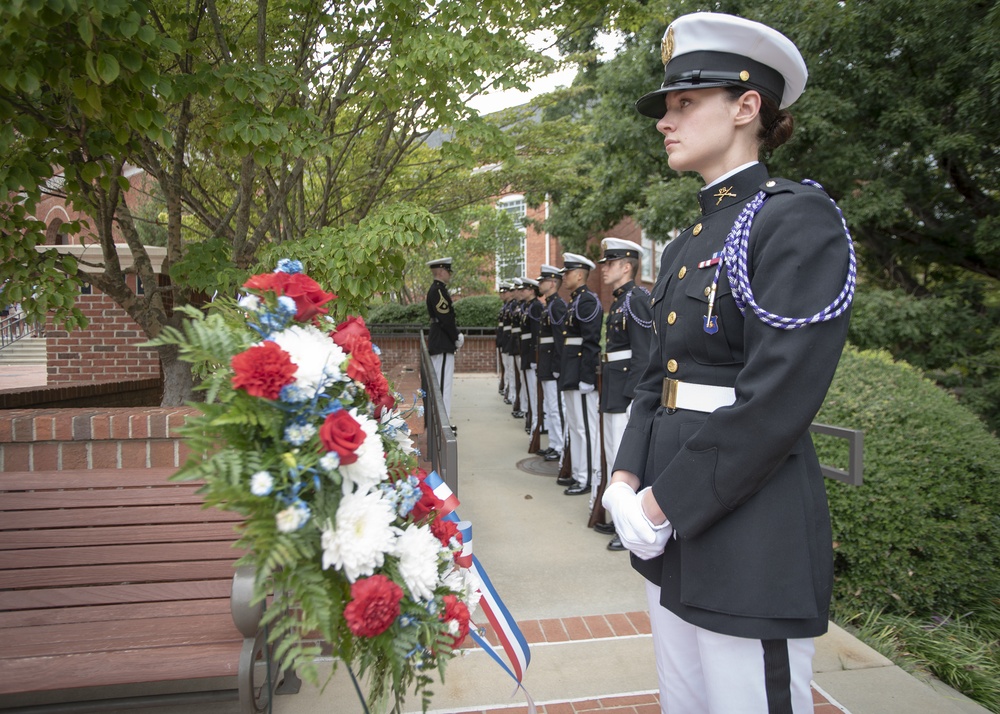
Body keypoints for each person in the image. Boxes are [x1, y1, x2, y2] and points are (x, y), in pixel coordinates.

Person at [601, 12, 856, 714]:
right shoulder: (689, 239)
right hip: (672, 525)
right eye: (666, 107)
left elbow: (776, 399)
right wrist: (625, 478)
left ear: (747, 107)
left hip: (748, 529)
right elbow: (657, 377)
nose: (665, 120)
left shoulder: (794, 219)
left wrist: (658, 503)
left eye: (686, 103)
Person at [592, 238, 653, 551]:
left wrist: (635, 399)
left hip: (626, 392)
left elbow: (644, 354)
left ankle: (626, 529)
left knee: (623, 463)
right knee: (614, 457)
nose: (604, 269)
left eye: (610, 263)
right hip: (616, 389)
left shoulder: (637, 299)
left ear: (627, 266)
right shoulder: (620, 300)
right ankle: (618, 522)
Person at [557, 252, 602, 497]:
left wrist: (587, 377)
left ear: (578, 274)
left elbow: (591, 342)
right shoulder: (576, 302)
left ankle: (586, 477)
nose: (564, 277)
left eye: (567, 272)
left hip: (580, 374)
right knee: (575, 426)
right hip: (571, 371)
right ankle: (578, 472)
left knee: (585, 427)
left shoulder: (586, 302)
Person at [535, 265, 567, 462]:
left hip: (552, 365)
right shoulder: (549, 305)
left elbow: (560, 340)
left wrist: (557, 366)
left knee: (556, 408)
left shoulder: (557, 306)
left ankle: (561, 446)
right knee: (550, 405)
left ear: (553, 283)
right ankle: (554, 443)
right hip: (546, 364)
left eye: (543, 281)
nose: (540, 284)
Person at [425, 257, 462, 419]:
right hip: (442, 341)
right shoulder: (438, 291)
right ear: (441, 271)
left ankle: (441, 421)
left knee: (443, 384)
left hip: (440, 339)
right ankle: (442, 422)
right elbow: (446, 318)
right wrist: (456, 336)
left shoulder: (438, 289)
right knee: (442, 384)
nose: (449, 274)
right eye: (448, 271)